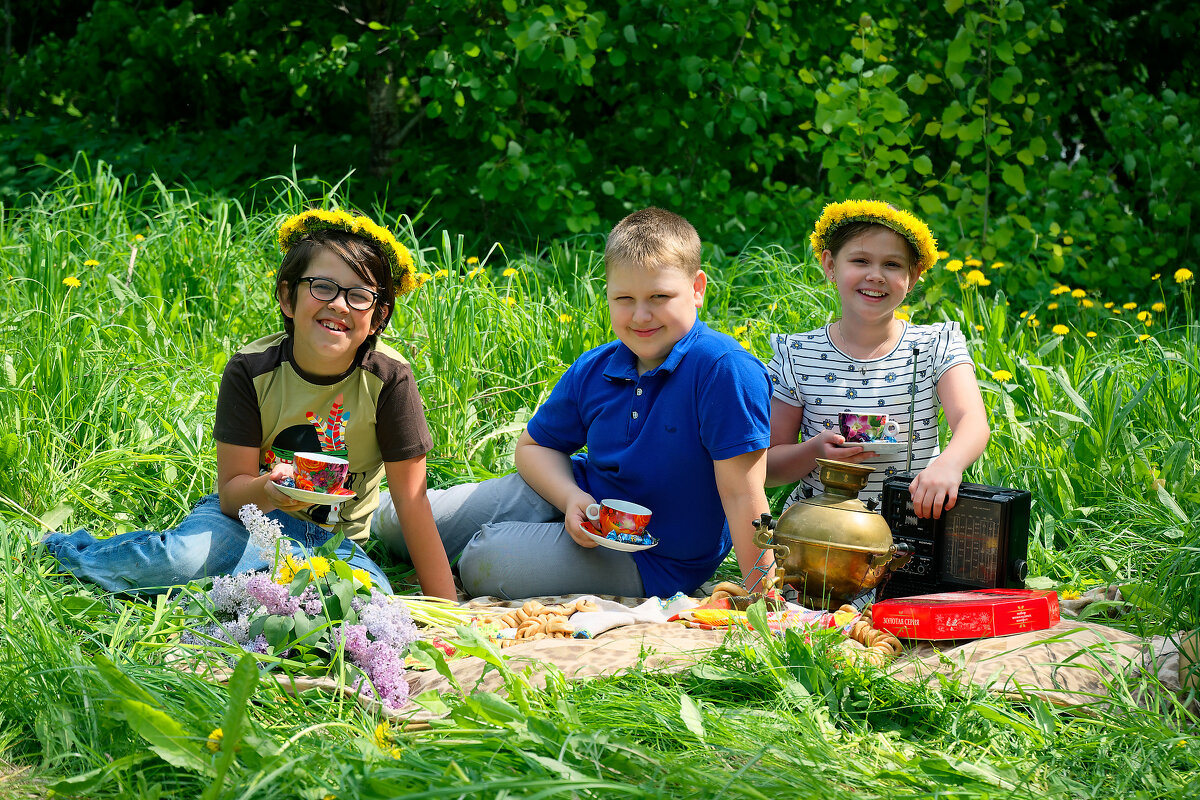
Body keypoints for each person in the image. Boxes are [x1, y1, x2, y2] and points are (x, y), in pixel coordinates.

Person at [44, 210, 457, 599]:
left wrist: (447, 611)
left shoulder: (388, 380)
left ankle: (247, 586)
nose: (339, 304)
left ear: (379, 316)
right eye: (323, 287)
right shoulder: (251, 371)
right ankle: (65, 552)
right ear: (287, 298)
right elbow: (231, 495)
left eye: (359, 295)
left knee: (370, 604)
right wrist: (271, 491)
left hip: (333, 540)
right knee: (178, 560)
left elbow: (411, 499)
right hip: (244, 518)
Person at [376, 207, 776, 600]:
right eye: (624, 298)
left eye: (659, 296)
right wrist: (572, 499)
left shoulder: (723, 369)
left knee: (485, 560)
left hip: (655, 557)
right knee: (396, 522)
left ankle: (475, 556)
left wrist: (764, 592)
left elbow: (743, 492)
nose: (640, 315)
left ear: (697, 289)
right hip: (583, 499)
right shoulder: (599, 365)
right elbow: (536, 447)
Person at [765, 199, 990, 519]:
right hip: (818, 534)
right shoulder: (797, 356)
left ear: (913, 276)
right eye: (860, 260)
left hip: (914, 529)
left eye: (892, 265)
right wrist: (815, 452)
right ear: (830, 265)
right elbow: (768, 468)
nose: (876, 275)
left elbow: (973, 421)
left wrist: (948, 466)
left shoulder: (935, 346)